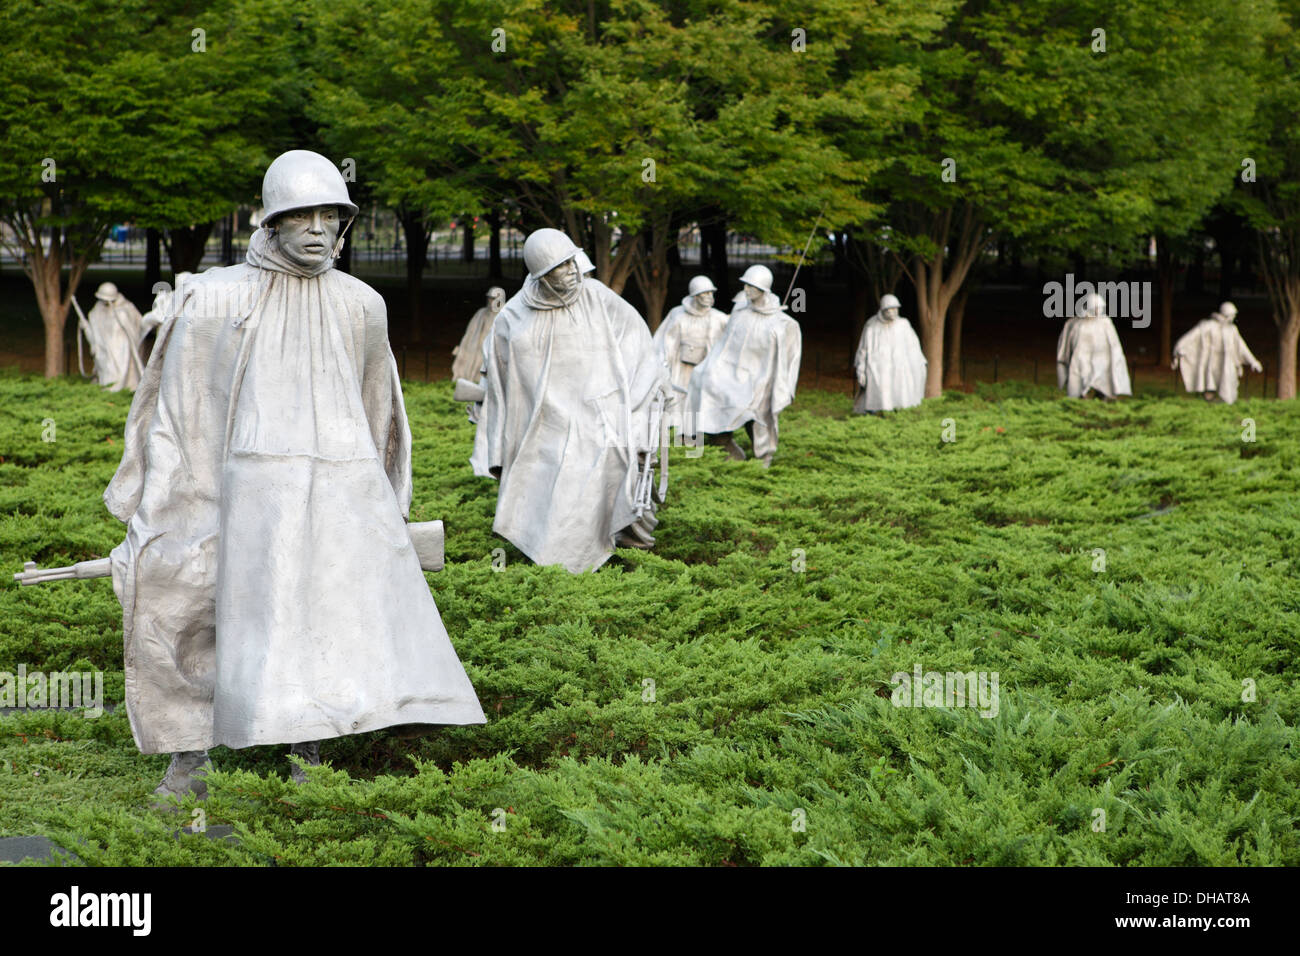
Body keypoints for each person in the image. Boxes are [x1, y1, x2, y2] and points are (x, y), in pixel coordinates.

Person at [104, 149, 484, 801]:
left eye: (329, 215)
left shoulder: (361, 306)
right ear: (271, 222)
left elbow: (379, 415)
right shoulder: (214, 298)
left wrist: (380, 507)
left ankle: (308, 743)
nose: (316, 228)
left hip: (328, 493)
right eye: (300, 214)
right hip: (221, 491)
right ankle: (190, 755)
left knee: (319, 617)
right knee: (192, 606)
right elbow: (177, 406)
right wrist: (158, 503)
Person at [470, 228, 668, 572]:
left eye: (573, 261)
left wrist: (640, 399)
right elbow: (500, 377)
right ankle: (559, 561)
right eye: (562, 266)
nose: (574, 270)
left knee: (617, 469)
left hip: (602, 413)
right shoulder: (515, 317)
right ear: (542, 275)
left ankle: (630, 547)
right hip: (547, 423)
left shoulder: (597, 297)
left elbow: (638, 344)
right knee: (553, 486)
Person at [687, 264, 801, 467]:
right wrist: (708, 369)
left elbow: (790, 361)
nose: (746, 290)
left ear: (763, 289)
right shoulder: (740, 312)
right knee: (710, 389)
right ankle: (724, 446)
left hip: (760, 381)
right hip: (732, 376)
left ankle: (763, 458)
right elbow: (724, 347)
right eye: (745, 285)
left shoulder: (783, 324)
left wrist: (786, 388)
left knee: (756, 416)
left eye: (751, 286)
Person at [654, 275, 729, 437]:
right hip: (682, 368)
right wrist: (663, 365)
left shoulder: (719, 318)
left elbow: (735, 336)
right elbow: (665, 342)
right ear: (695, 296)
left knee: (701, 401)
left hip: (706, 370)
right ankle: (678, 433)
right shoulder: (678, 315)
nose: (710, 297)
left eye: (711, 293)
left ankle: (704, 433)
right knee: (680, 400)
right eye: (705, 293)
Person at [1172, 301, 1262, 404]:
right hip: (1211, 361)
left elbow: (1242, 347)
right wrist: (1179, 348)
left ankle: (1226, 407)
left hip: (1227, 362)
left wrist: (1253, 361)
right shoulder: (1208, 326)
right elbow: (1192, 336)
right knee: (1210, 384)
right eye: (1232, 315)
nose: (1234, 317)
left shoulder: (1232, 330)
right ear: (1227, 315)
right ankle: (1209, 401)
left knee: (1228, 389)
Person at [853, 293, 926, 413]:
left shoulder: (903, 325)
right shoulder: (872, 326)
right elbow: (863, 350)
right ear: (883, 310)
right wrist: (861, 370)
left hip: (899, 368)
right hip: (877, 369)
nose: (893, 312)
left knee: (899, 394)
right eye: (889, 310)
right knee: (880, 396)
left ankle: (898, 415)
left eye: (895, 309)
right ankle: (877, 415)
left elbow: (913, 347)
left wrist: (919, 363)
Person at [1056, 292, 1132, 399]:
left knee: (1102, 381)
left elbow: (1114, 344)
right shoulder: (1076, 323)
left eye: (1100, 308)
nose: (1098, 310)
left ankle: (1101, 398)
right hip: (1081, 358)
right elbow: (1068, 343)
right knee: (1079, 380)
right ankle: (1079, 398)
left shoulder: (1106, 323)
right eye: (1095, 307)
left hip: (1102, 359)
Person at [82, 282, 145, 391]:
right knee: (108, 371)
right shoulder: (97, 309)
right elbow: (96, 327)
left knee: (121, 373)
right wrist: (86, 327)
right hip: (105, 349)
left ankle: (122, 391)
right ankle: (109, 391)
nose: (105, 302)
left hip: (121, 348)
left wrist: (125, 320)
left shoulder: (127, 308)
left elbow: (138, 325)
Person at [451, 287, 506, 382]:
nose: (491, 301)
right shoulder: (481, 313)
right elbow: (470, 333)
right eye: (490, 298)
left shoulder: (505, 315)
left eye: (494, 298)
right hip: (476, 348)